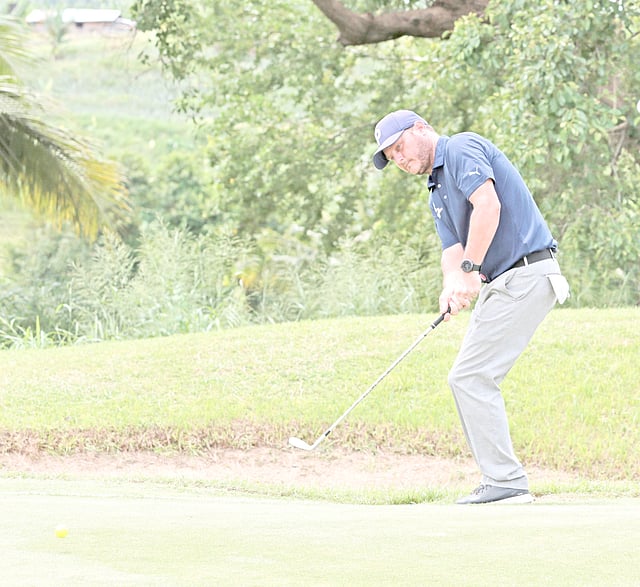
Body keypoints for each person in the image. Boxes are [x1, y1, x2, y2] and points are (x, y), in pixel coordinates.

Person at [372, 110, 569, 504]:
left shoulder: (461, 147)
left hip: (526, 273)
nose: (400, 159)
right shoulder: (435, 190)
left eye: (400, 147)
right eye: (392, 157)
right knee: (466, 377)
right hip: (503, 282)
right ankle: (501, 480)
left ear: (421, 129)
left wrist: (469, 270)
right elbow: (453, 250)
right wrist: (453, 284)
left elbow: (488, 206)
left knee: (471, 376)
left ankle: (506, 482)